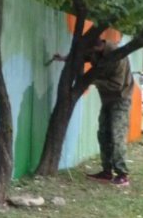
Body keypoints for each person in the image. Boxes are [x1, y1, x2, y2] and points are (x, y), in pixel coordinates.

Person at [53, 38, 134, 186]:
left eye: (91, 52)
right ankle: (107, 171)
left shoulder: (118, 56)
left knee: (117, 135)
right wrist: (65, 58)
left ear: (99, 47)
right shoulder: (95, 51)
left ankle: (122, 174)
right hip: (106, 99)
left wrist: (91, 80)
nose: (90, 55)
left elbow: (117, 85)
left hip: (120, 98)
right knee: (103, 134)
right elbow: (82, 57)